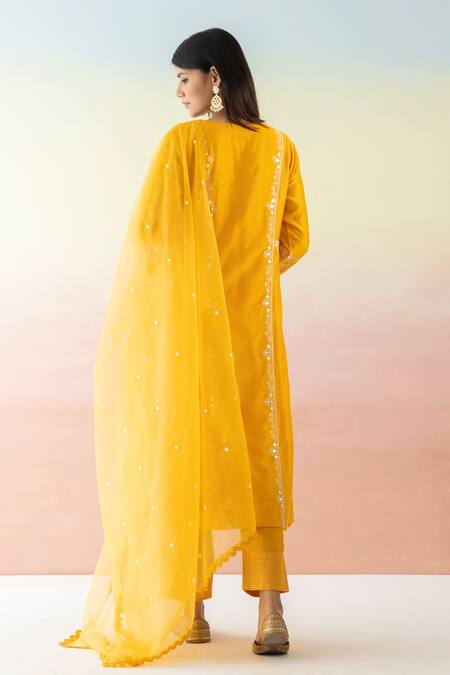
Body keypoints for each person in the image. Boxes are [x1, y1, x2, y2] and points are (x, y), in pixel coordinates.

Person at [59, 27, 309, 667]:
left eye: (183, 78)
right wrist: (249, 278)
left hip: (192, 336)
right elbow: (294, 239)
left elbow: (150, 235)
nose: (178, 92)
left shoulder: (183, 144)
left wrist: (193, 284)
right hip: (256, 337)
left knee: (190, 451)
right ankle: (271, 611)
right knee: (260, 456)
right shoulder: (279, 148)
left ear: (214, 77)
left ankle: (191, 608)